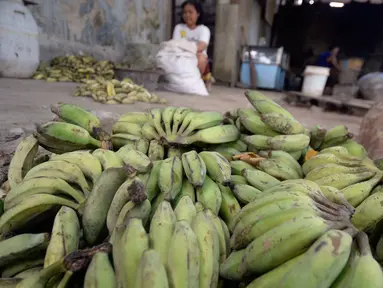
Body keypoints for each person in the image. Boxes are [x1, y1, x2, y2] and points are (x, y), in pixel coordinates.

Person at [172, 0, 213, 88]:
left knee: (201, 58)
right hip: (181, 55)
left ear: (198, 14)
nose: (187, 15)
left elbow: (201, 46)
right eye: (185, 12)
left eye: (190, 12)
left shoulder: (204, 29)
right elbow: (175, 45)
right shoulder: (179, 28)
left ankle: (198, 80)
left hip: (196, 56)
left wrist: (188, 50)